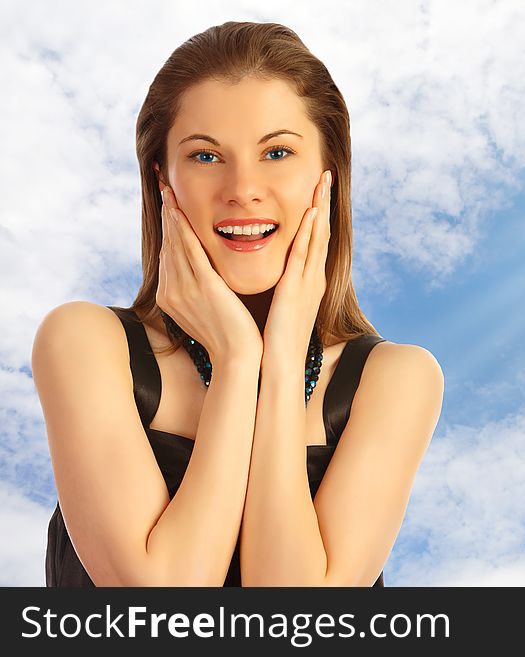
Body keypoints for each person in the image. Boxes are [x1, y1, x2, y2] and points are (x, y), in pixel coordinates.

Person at [31, 21, 444, 586]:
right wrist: (236, 360)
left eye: (276, 152)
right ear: (162, 180)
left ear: (329, 176)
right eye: (205, 157)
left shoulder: (394, 379)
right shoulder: (84, 342)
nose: (242, 187)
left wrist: (276, 364)